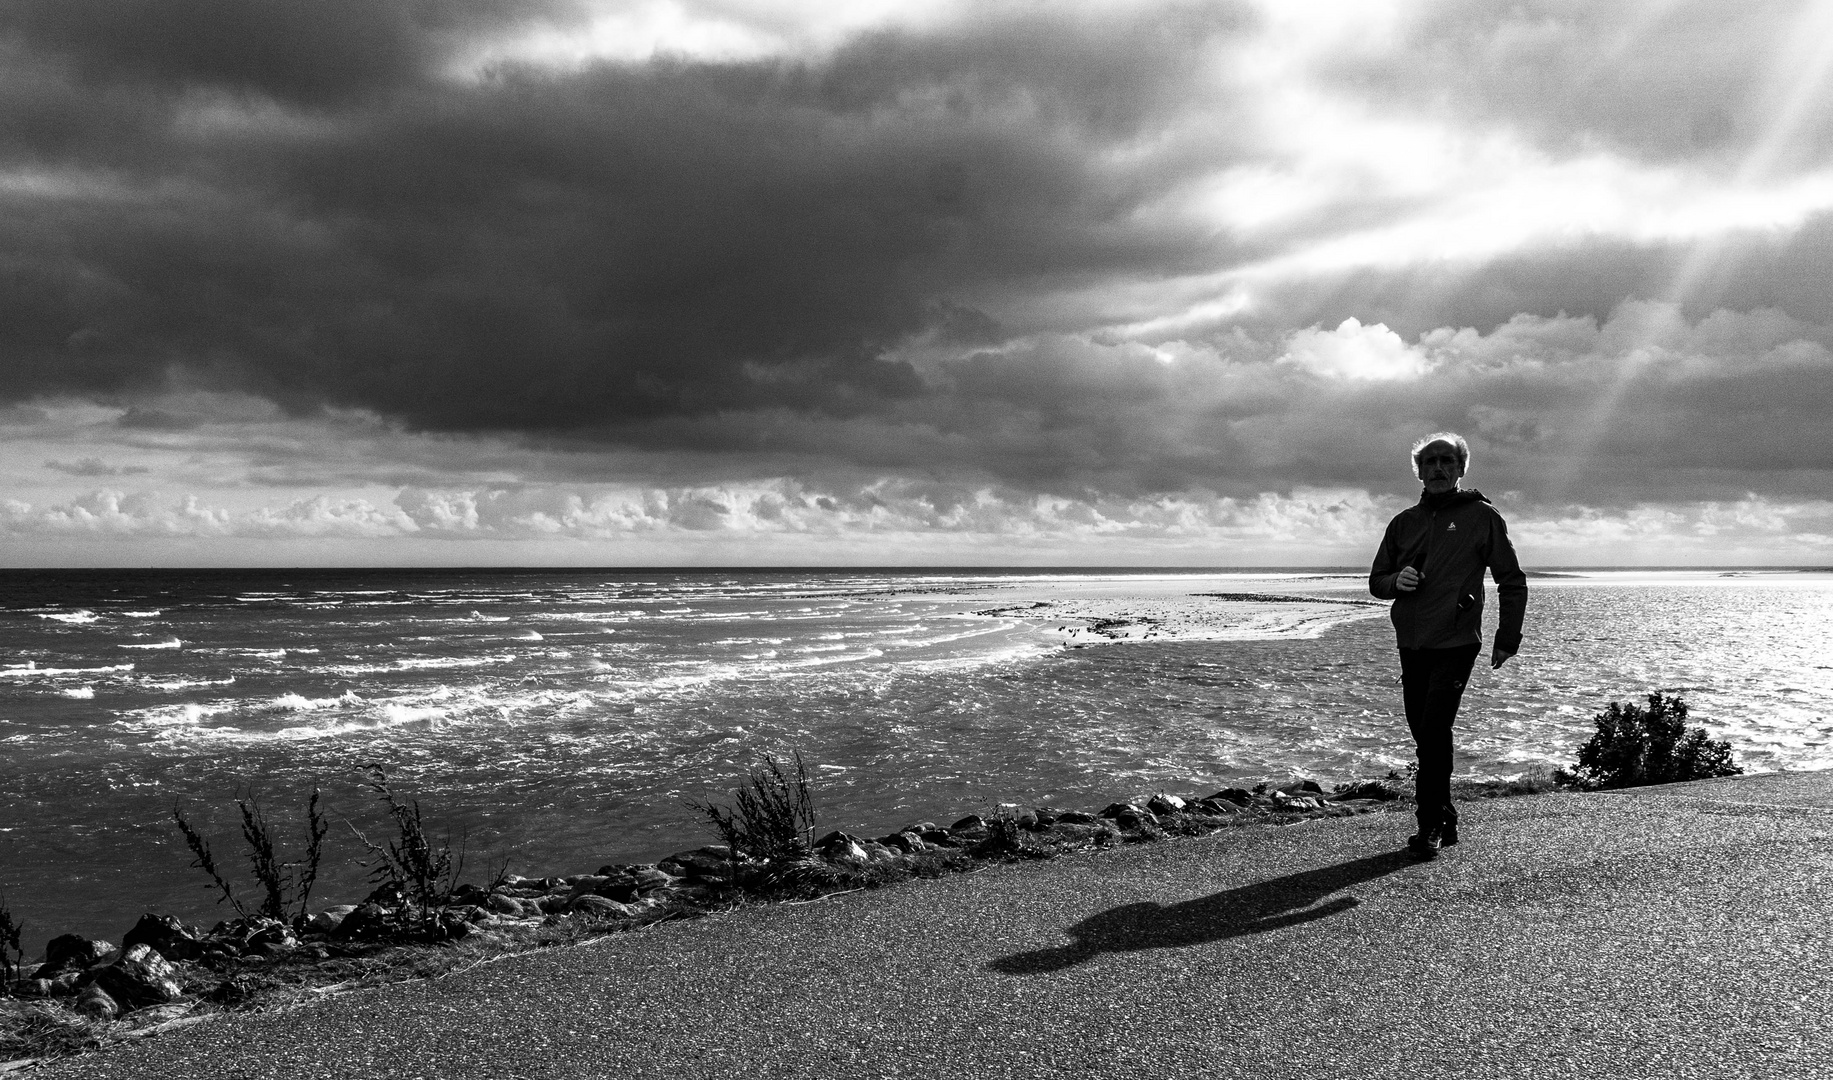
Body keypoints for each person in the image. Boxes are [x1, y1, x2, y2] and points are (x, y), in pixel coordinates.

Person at [1369, 432, 1526, 858]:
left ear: (1461, 469)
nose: (1438, 468)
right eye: (1430, 462)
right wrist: (1395, 582)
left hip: (1457, 641)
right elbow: (1377, 580)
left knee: (1435, 731)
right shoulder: (1403, 523)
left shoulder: (1481, 515)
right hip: (1412, 642)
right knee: (1423, 733)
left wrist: (1507, 637)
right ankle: (1446, 815)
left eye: (1447, 461)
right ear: (1418, 471)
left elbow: (1511, 579)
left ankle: (1430, 826)